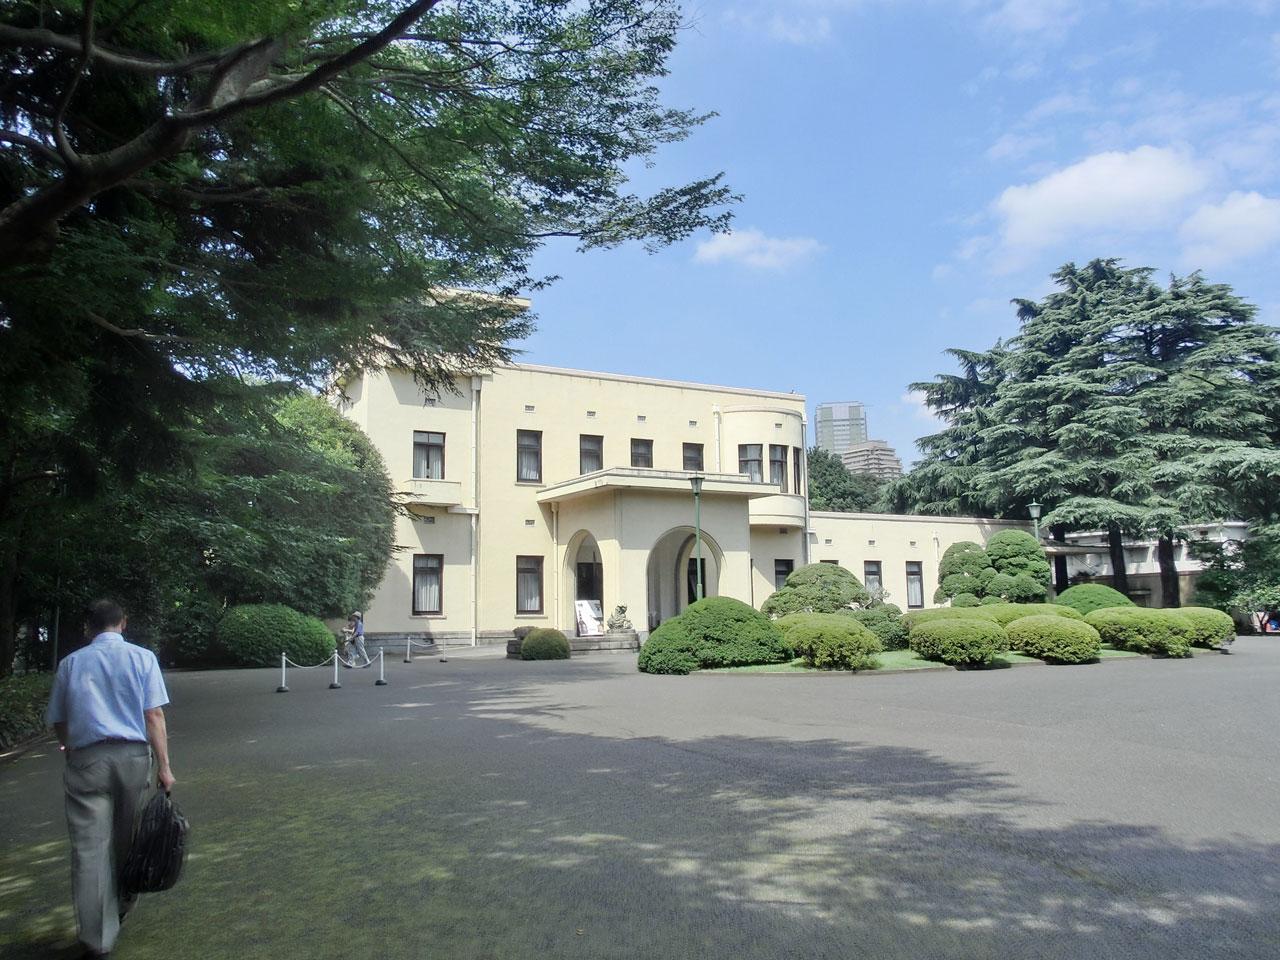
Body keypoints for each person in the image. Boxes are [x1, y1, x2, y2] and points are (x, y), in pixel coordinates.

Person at [45, 599, 174, 959]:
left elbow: (59, 719)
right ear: (124, 623)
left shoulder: (71, 663)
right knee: (127, 838)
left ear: (88, 627)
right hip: (132, 757)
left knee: (89, 849)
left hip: (86, 759)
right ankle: (123, 902)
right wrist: (164, 766)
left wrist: (68, 747)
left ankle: (97, 938)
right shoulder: (142, 658)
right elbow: (154, 715)